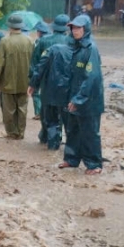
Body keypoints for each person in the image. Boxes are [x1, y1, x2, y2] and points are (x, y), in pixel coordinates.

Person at [59, 16, 104, 175]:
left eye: (78, 28)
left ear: (86, 29)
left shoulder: (91, 48)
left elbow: (91, 77)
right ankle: (71, 159)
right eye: (73, 28)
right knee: (73, 130)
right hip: (75, 97)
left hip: (89, 100)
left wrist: (79, 99)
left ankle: (94, 164)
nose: (75, 31)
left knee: (90, 132)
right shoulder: (77, 47)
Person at [29, 14, 73, 150]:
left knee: (48, 113)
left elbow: (35, 64)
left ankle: (47, 138)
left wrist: (33, 83)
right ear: (67, 28)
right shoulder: (72, 43)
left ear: (53, 27)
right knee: (64, 115)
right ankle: (60, 141)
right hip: (67, 86)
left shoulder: (43, 41)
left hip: (47, 84)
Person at [0, 15, 34, 140]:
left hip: (8, 82)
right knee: (23, 109)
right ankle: (20, 133)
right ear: (21, 26)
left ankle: (11, 132)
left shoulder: (5, 42)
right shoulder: (30, 41)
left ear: (9, 26)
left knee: (9, 110)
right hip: (25, 81)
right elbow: (34, 63)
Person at [28, 21, 51, 121]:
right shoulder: (51, 39)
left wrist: (32, 73)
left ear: (39, 32)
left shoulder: (39, 42)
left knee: (36, 91)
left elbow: (35, 58)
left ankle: (38, 112)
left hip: (40, 69)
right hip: (51, 71)